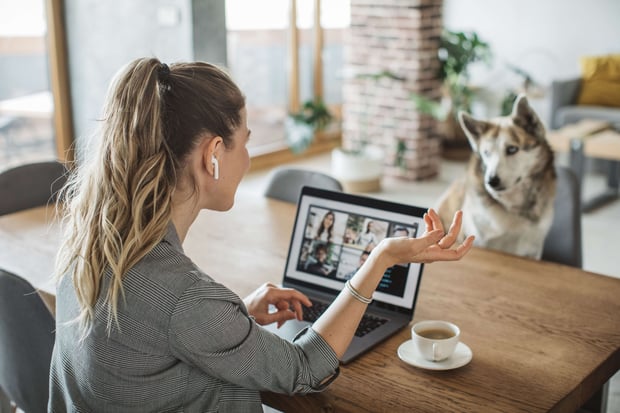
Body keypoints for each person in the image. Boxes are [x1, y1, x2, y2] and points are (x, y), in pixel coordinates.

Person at [49, 57, 474, 412]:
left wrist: (235, 319)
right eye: (245, 143)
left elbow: (152, 336)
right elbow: (308, 370)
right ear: (213, 154)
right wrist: (380, 259)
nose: (248, 159)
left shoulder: (89, 244)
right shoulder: (185, 299)